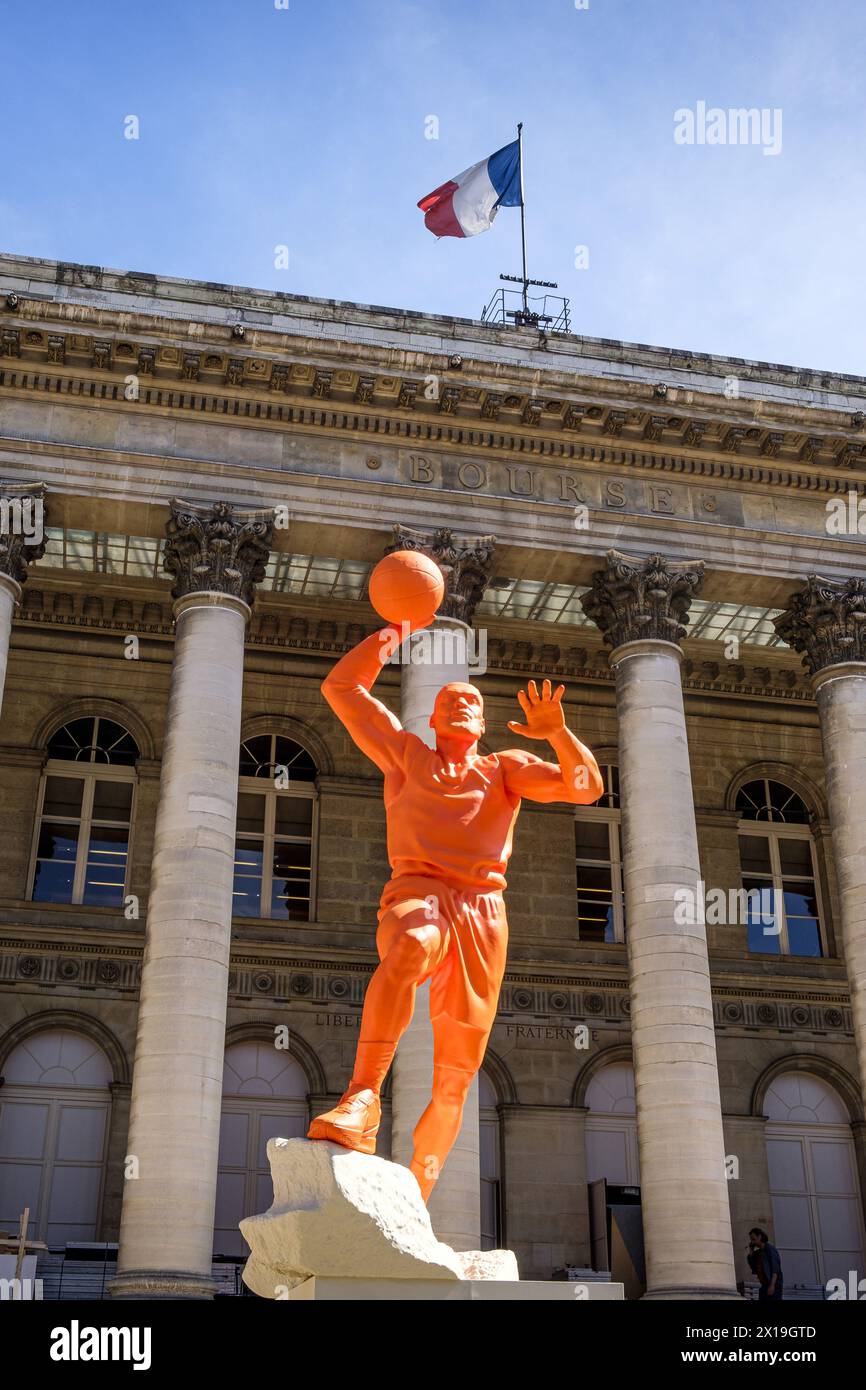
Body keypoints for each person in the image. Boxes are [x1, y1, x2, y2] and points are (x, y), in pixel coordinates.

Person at [307, 616, 603, 1201]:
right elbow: (342, 690)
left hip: (483, 913)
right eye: (450, 699)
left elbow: (585, 786)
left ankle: (416, 1194)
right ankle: (362, 1095)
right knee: (413, 943)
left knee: (454, 1080)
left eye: (471, 700)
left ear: (483, 723)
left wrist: (558, 732)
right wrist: (396, 631)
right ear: (434, 717)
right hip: (418, 889)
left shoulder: (505, 768)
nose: (462, 704)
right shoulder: (404, 756)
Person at [747, 1227, 784, 1300]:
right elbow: (753, 1266)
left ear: (759, 1237)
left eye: (754, 1239)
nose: (752, 1242)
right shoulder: (758, 1252)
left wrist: (772, 1285)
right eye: (751, 1240)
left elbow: (775, 1269)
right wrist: (751, 1251)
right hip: (764, 1285)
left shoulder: (770, 1249)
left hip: (774, 1285)